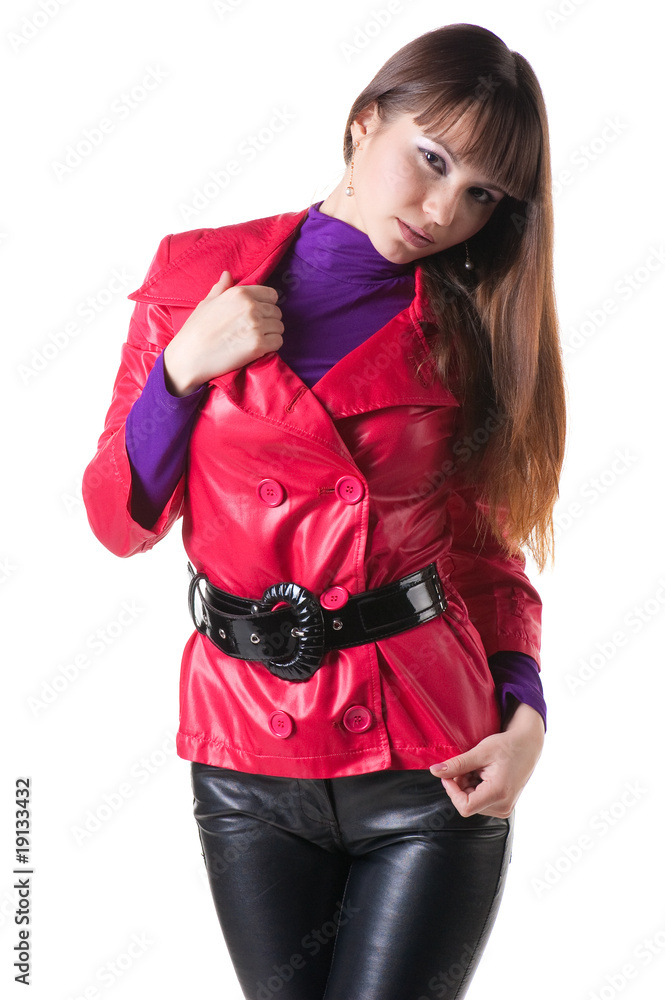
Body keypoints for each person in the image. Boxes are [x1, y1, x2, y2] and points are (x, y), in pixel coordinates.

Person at [82, 22, 565, 1000]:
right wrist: (178, 373)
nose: (443, 210)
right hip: (245, 750)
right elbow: (118, 522)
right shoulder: (196, 278)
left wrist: (525, 715)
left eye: (482, 195)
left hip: (431, 755)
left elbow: (482, 557)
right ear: (362, 123)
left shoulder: (464, 334)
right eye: (432, 160)